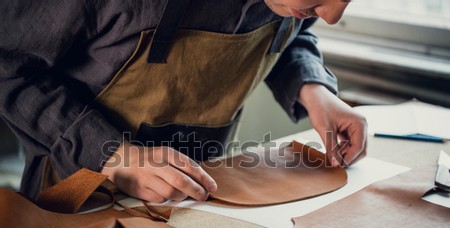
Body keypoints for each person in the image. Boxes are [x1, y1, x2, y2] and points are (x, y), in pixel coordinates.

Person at [0, 0, 367, 203]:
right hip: (79, 201)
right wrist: (116, 157)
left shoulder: (296, 3)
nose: (333, 15)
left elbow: (288, 34)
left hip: (205, 200)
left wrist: (314, 89)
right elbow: (8, 66)